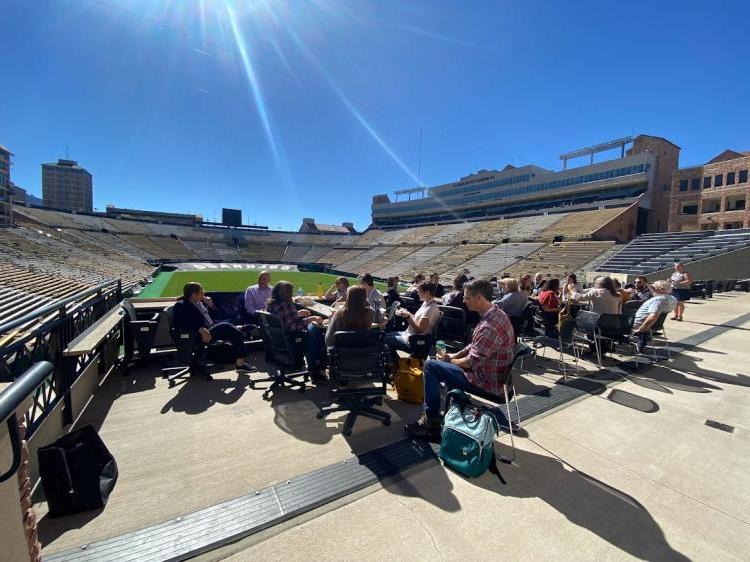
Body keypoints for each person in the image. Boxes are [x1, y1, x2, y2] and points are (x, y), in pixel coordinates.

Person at [405, 279, 515, 440]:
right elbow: (473, 346)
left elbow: (471, 362)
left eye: (467, 297)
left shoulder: (489, 326)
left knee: (430, 366)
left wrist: (449, 362)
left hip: (487, 382)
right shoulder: (495, 314)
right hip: (491, 375)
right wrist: (453, 357)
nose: (464, 301)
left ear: (479, 297)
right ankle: (453, 411)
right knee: (440, 365)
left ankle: (431, 422)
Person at [173, 282, 255, 375]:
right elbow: (180, 322)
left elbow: (215, 317)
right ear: (194, 294)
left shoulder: (199, 303)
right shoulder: (181, 305)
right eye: (201, 292)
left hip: (209, 329)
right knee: (227, 327)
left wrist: (211, 305)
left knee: (232, 330)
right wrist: (199, 328)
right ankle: (240, 361)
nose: (204, 294)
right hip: (195, 336)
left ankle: (237, 334)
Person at [267, 281, 327, 382]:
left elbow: (284, 319)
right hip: (290, 339)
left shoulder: (272, 304)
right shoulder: (285, 305)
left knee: (313, 331)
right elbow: (294, 327)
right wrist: (311, 319)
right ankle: (316, 370)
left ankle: (317, 367)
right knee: (315, 332)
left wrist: (297, 314)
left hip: (277, 339)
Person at [384, 281, 441, 355]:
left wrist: (407, 316)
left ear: (427, 292)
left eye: (419, 291)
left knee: (383, 339)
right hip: (409, 335)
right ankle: (395, 362)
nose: (418, 293)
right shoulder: (426, 303)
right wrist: (408, 313)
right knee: (384, 335)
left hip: (413, 340)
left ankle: (392, 362)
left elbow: (419, 330)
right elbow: (417, 319)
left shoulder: (430, 308)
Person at [632, 280, 678, 352]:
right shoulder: (673, 299)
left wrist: (641, 330)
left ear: (662, 290)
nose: (650, 288)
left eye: (653, 287)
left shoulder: (658, 300)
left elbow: (653, 317)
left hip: (639, 324)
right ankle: (642, 342)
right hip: (656, 325)